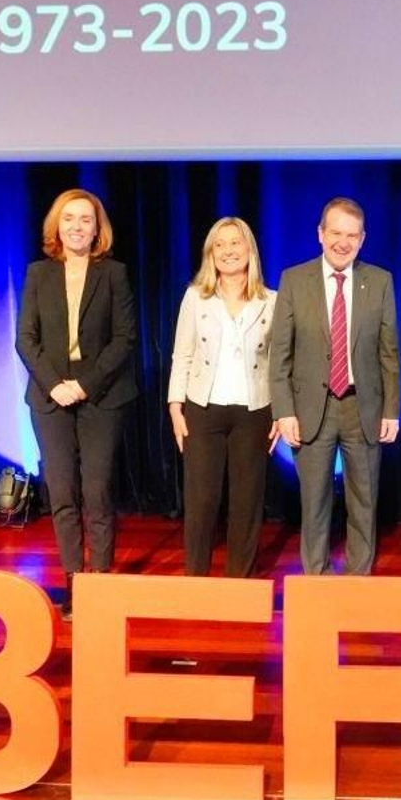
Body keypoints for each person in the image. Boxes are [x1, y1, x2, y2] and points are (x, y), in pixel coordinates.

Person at [16, 188, 137, 617]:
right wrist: (55, 386)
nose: (77, 227)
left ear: (97, 227)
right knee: (63, 492)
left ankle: (100, 581)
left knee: (98, 491)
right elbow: (25, 340)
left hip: (101, 396)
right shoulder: (37, 274)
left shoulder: (114, 274)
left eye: (86, 219)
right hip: (50, 398)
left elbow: (125, 339)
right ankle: (73, 582)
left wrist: (83, 385)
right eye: (69, 219)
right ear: (57, 225)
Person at [268, 197, 401, 575]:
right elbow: (281, 353)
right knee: (314, 502)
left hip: (363, 407)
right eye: (336, 233)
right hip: (312, 408)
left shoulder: (379, 281)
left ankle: (357, 580)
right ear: (320, 234)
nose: (343, 242)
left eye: (352, 235)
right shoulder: (294, 280)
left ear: (363, 239)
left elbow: (388, 352)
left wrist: (392, 408)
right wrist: (284, 411)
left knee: (364, 500)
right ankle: (317, 580)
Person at [167, 217, 279, 577]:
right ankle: (195, 580)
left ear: (250, 250)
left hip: (254, 410)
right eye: (220, 245)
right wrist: (175, 406)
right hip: (203, 408)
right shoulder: (196, 298)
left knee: (246, 502)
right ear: (210, 254)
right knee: (201, 501)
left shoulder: (271, 301)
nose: (229, 251)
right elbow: (181, 354)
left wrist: (281, 412)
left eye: (236, 243)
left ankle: (239, 583)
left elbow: (279, 362)